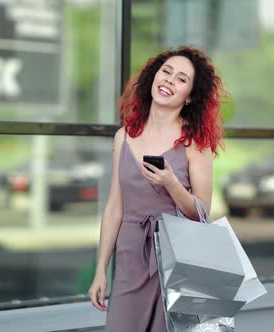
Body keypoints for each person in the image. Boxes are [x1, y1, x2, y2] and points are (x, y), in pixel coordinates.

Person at [88, 46, 225, 331]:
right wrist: (101, 268)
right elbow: (115, 206)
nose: (169, 81)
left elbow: (201, 213)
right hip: (130, 258)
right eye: (166, 72)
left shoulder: (194, 143)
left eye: (181, 79)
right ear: (153, 76)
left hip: (177, 260)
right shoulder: (123, 137)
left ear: (189, 96)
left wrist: (171, 183)